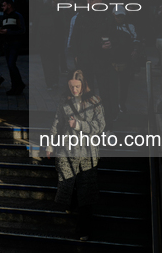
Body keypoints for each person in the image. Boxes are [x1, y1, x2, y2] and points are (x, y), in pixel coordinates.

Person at [46, 70, 105, 241]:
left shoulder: (95, 102)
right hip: (67, 150)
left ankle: (83, 230)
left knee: (86, 192)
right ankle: (71, 204)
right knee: (66, 184)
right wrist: (50, 144)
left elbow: (100, 125)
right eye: (71, 86)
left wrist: (79, 125)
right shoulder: (65, 101)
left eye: (77, 86)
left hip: (87, 153)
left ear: (83, 85)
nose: (74, 89)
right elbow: (57, 122)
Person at [0, 0, 26, 95]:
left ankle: (19, 85)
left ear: (9, 6)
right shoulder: (4, 17)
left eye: (4, 5)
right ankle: (15, 87)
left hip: (15, 43)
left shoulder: (17, 16)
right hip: (7, 44)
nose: (2, 7)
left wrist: (8, 32)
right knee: (10, 66)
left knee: (11, 64)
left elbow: (22, 30)